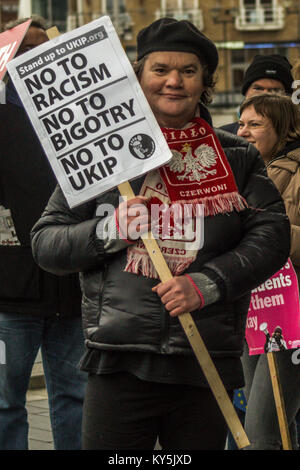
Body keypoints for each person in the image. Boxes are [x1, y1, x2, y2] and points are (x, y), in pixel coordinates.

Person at [31, 18, 290, 450]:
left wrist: (207, 285)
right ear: (138, 76)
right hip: (117, 361)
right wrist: (108, 231)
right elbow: (46, 242)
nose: (174, 81)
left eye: (188, 71)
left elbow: (271, 238)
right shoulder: (101, 153)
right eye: (160, 69)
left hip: (205, 362)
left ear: (205, 81)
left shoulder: (238, 157)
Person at [0, 16, 87, 450]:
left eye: (44, 53)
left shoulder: (79, 123)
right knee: (4, 400)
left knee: (75, 395)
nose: (35, 62)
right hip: (9, 296)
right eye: (26, 52)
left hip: (71, 291)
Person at [237, 93, 300, 449]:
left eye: (255, 124)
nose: (243, 131)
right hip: (255, 307)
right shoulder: (245, 172)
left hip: (293, 313)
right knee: (272, 427)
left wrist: (264, 230)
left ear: (283, 129)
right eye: (241, 123)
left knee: (262, 429)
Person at [221, 54, 294, 134]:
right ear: (245, 92)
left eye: (275, 90)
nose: (265, 95)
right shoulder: (222, 138)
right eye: (258, 89)